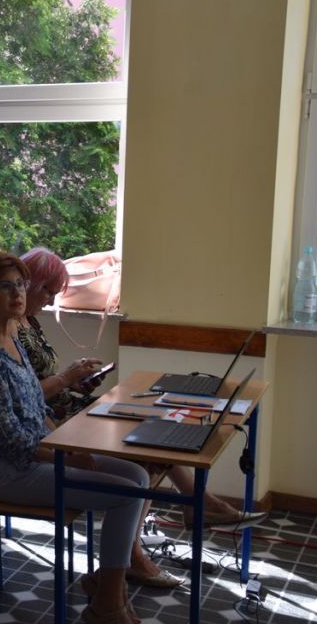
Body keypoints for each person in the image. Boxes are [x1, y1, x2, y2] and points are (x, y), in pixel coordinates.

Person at [19, 247, 266, 583]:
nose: (50, 300)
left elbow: (42, 380)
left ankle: (185, 513)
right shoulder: (10, 331)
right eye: (47, 291)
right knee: (147, 449)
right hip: (51, 420)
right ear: (29, 284)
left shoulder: (29, 323)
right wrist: (65, 379)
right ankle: (163, 531)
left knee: (152, 432)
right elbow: (25, 394)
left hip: (62, 405)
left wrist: (75, 378)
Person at [0, 251, 153, 624]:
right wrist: (63, 453)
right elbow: (12, 440)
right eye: (6, 287)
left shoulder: (11, 337)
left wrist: (65, 442)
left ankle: (107, 585)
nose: (18, 294)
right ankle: (108, 604)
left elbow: (37, 405)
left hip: (39, 454)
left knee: (137, 474)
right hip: (6, 472)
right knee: (127, 493)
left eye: (21, 284)